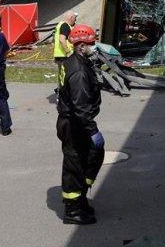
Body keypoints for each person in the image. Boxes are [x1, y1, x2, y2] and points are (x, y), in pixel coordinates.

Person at [56, 24, 105, 225]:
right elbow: (80, 106)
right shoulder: (78, 70)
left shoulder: (73, 62)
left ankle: (80, 197)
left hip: (74, 122)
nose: (94, 47)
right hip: (76, 124)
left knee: (87, 158)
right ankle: (72, 209)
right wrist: (93, 131)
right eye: (92, 44)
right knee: (74, 164)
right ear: (81, 45)